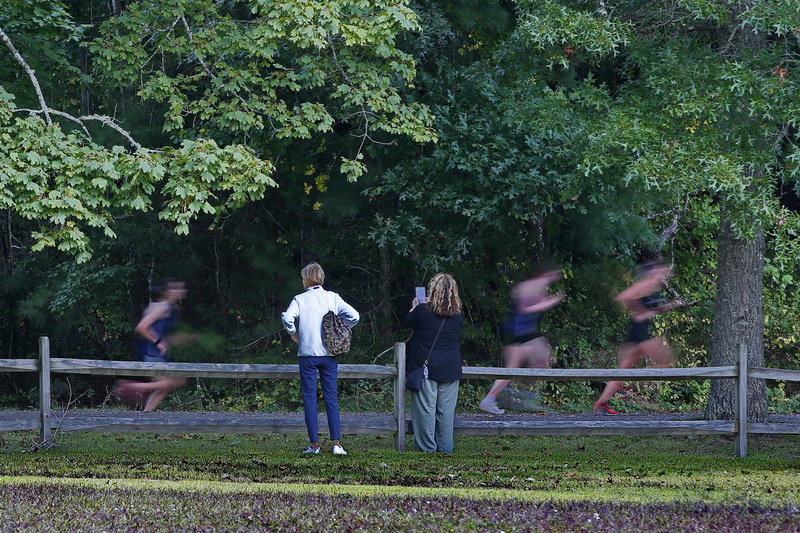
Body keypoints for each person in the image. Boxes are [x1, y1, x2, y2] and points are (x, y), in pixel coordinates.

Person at [281, 262, 359, 456]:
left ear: (305, 279)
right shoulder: (332, 297)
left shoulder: (299, 299)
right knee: (331, 398)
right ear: (321, 277)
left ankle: (314, 445)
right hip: (329, 355)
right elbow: (355, 316)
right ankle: (336, 444)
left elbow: (287, 318)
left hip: (308, 355)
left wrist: (293, 334)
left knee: (310, 399)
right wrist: (342, 328)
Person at [593, 261, 683, 414]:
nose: (666, 273)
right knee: (667, 363)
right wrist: (639, 312)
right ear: (654, 271)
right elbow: (623, 297)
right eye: (664, 270)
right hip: (641, 333)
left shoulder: (652, 286)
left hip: (637, 333)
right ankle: (641, 376)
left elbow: (651, 309)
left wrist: (669, 306)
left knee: (622, 372)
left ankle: (601, 404)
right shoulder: (645, 284)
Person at [479, 262, 565, 415]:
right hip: (518, 333)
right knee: (511, 369)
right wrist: (549, 302)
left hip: (528, 333)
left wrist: (547, 301)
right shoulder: (527, 287)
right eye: (552, 275)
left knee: (545, 360)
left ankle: (516, 389)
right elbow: (524, 309)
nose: (554, 278)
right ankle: (490, 399)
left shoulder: (541, 287)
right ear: (545, 274)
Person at [404, 273, 463, 453]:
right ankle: (445, 448)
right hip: (451, 368)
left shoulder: (422, 311)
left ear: (433, 290)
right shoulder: (458, 315)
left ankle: (426, 448)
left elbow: (407, 322)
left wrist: (415, 307)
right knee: (446, 412)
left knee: (425, 411)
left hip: (426, 368)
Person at [115, 279, 191, 411]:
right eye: (177, 288)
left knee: (165, 387)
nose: (181, 291)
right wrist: (159, 342)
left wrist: (184, 339)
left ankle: (146, 416)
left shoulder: (171, 308)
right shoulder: (164, 307)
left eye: (182, 288)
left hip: (159, 352)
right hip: (152, 351)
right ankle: (130, 387)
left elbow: (163, 334)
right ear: (166, 292)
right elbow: (142, 327)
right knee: (176, 381)